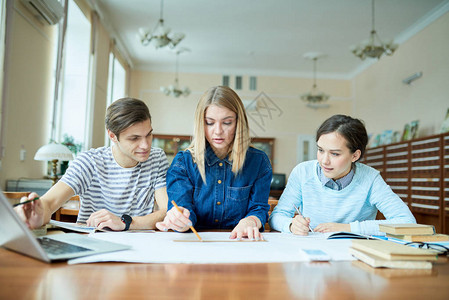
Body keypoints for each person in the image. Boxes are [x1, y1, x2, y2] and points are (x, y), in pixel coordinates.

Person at [15, 97, 169, 231]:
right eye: (134, 138)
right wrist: (38, 213)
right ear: (112, 135)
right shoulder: (89, 162)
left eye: (148, 135)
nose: (145, 145)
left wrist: (125, 223)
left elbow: (166, 211)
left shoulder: (156, 158)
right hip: (93, 243)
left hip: (141, 246)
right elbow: (49, 203)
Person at [156, 86, 272, 240]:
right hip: (195, 246)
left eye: (227, 122)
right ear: (200, 124)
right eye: (209, 123)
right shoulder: (183, 162)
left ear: (239, 123)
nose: (218, 131)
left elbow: (259, 208)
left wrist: (251, 220)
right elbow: (182, 206)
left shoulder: (258, 161)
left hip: (239, 244)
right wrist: (180, 219)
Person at [269, 114, 416, 236]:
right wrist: (290, 225)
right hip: (311, 253)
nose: (324, 160)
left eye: (334, 153)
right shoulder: (302, 172)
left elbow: (407, 222)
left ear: (355, 156)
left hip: (353, 254)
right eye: (320, 150)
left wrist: (347, 229)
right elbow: (276, 216)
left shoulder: (370, 179)